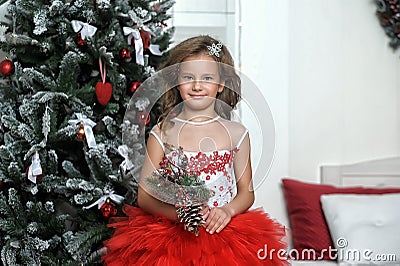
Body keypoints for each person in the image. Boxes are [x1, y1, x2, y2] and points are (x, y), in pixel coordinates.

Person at [102, 35, 288, 265]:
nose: (197, 85)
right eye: (188, 77)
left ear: (221, 84)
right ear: (176, 82)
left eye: (207, 78)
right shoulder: (161, 133)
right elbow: (145, 197)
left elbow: (246, 193)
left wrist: (227, 211)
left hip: (223, 233)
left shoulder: (236, 134)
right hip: (170, 237)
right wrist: (182, 215)